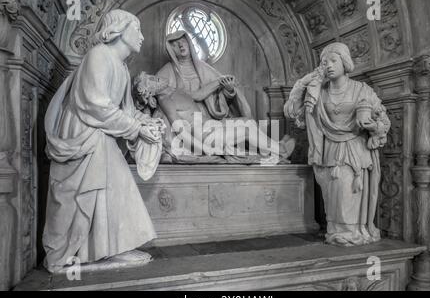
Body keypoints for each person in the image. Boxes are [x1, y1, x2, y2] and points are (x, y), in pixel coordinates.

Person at [43, 9, 164, 273]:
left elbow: (126, 111)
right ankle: (74, 252)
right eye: (138, 29)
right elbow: (96, 105)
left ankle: (106, 249)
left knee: (113, 189)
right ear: (119, 29)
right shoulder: (98, 56)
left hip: (99, 135)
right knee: (94, 192)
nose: (142, 37)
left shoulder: (120, 66)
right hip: (84, 135)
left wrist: (147, 123)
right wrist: (135, 128)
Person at [284, 42, 391, 246]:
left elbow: (384, 122)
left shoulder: (361, 90)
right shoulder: (319, 91)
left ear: (345, 62)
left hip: (355, 150)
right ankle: (335, 230)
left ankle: (352, 233)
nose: (329, 66)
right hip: (328, 151)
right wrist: (304, 82)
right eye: (325, 62)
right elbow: (292, 111)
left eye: (333, 60)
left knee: (348, 191)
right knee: (332, 196)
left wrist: (372, 126)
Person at [153, 31, 295, 163]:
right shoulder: (166, 74)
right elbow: (165, 99)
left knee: (248, 123)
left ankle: (272, 149)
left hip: (207, 119)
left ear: (189, 42)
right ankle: (277, 150)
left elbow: (216, 98)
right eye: (175, 44)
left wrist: (228, 90)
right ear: (171, 50)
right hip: (197, 127)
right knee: (245, 129)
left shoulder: (203, 68)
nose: (180, 45)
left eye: (183, 41)